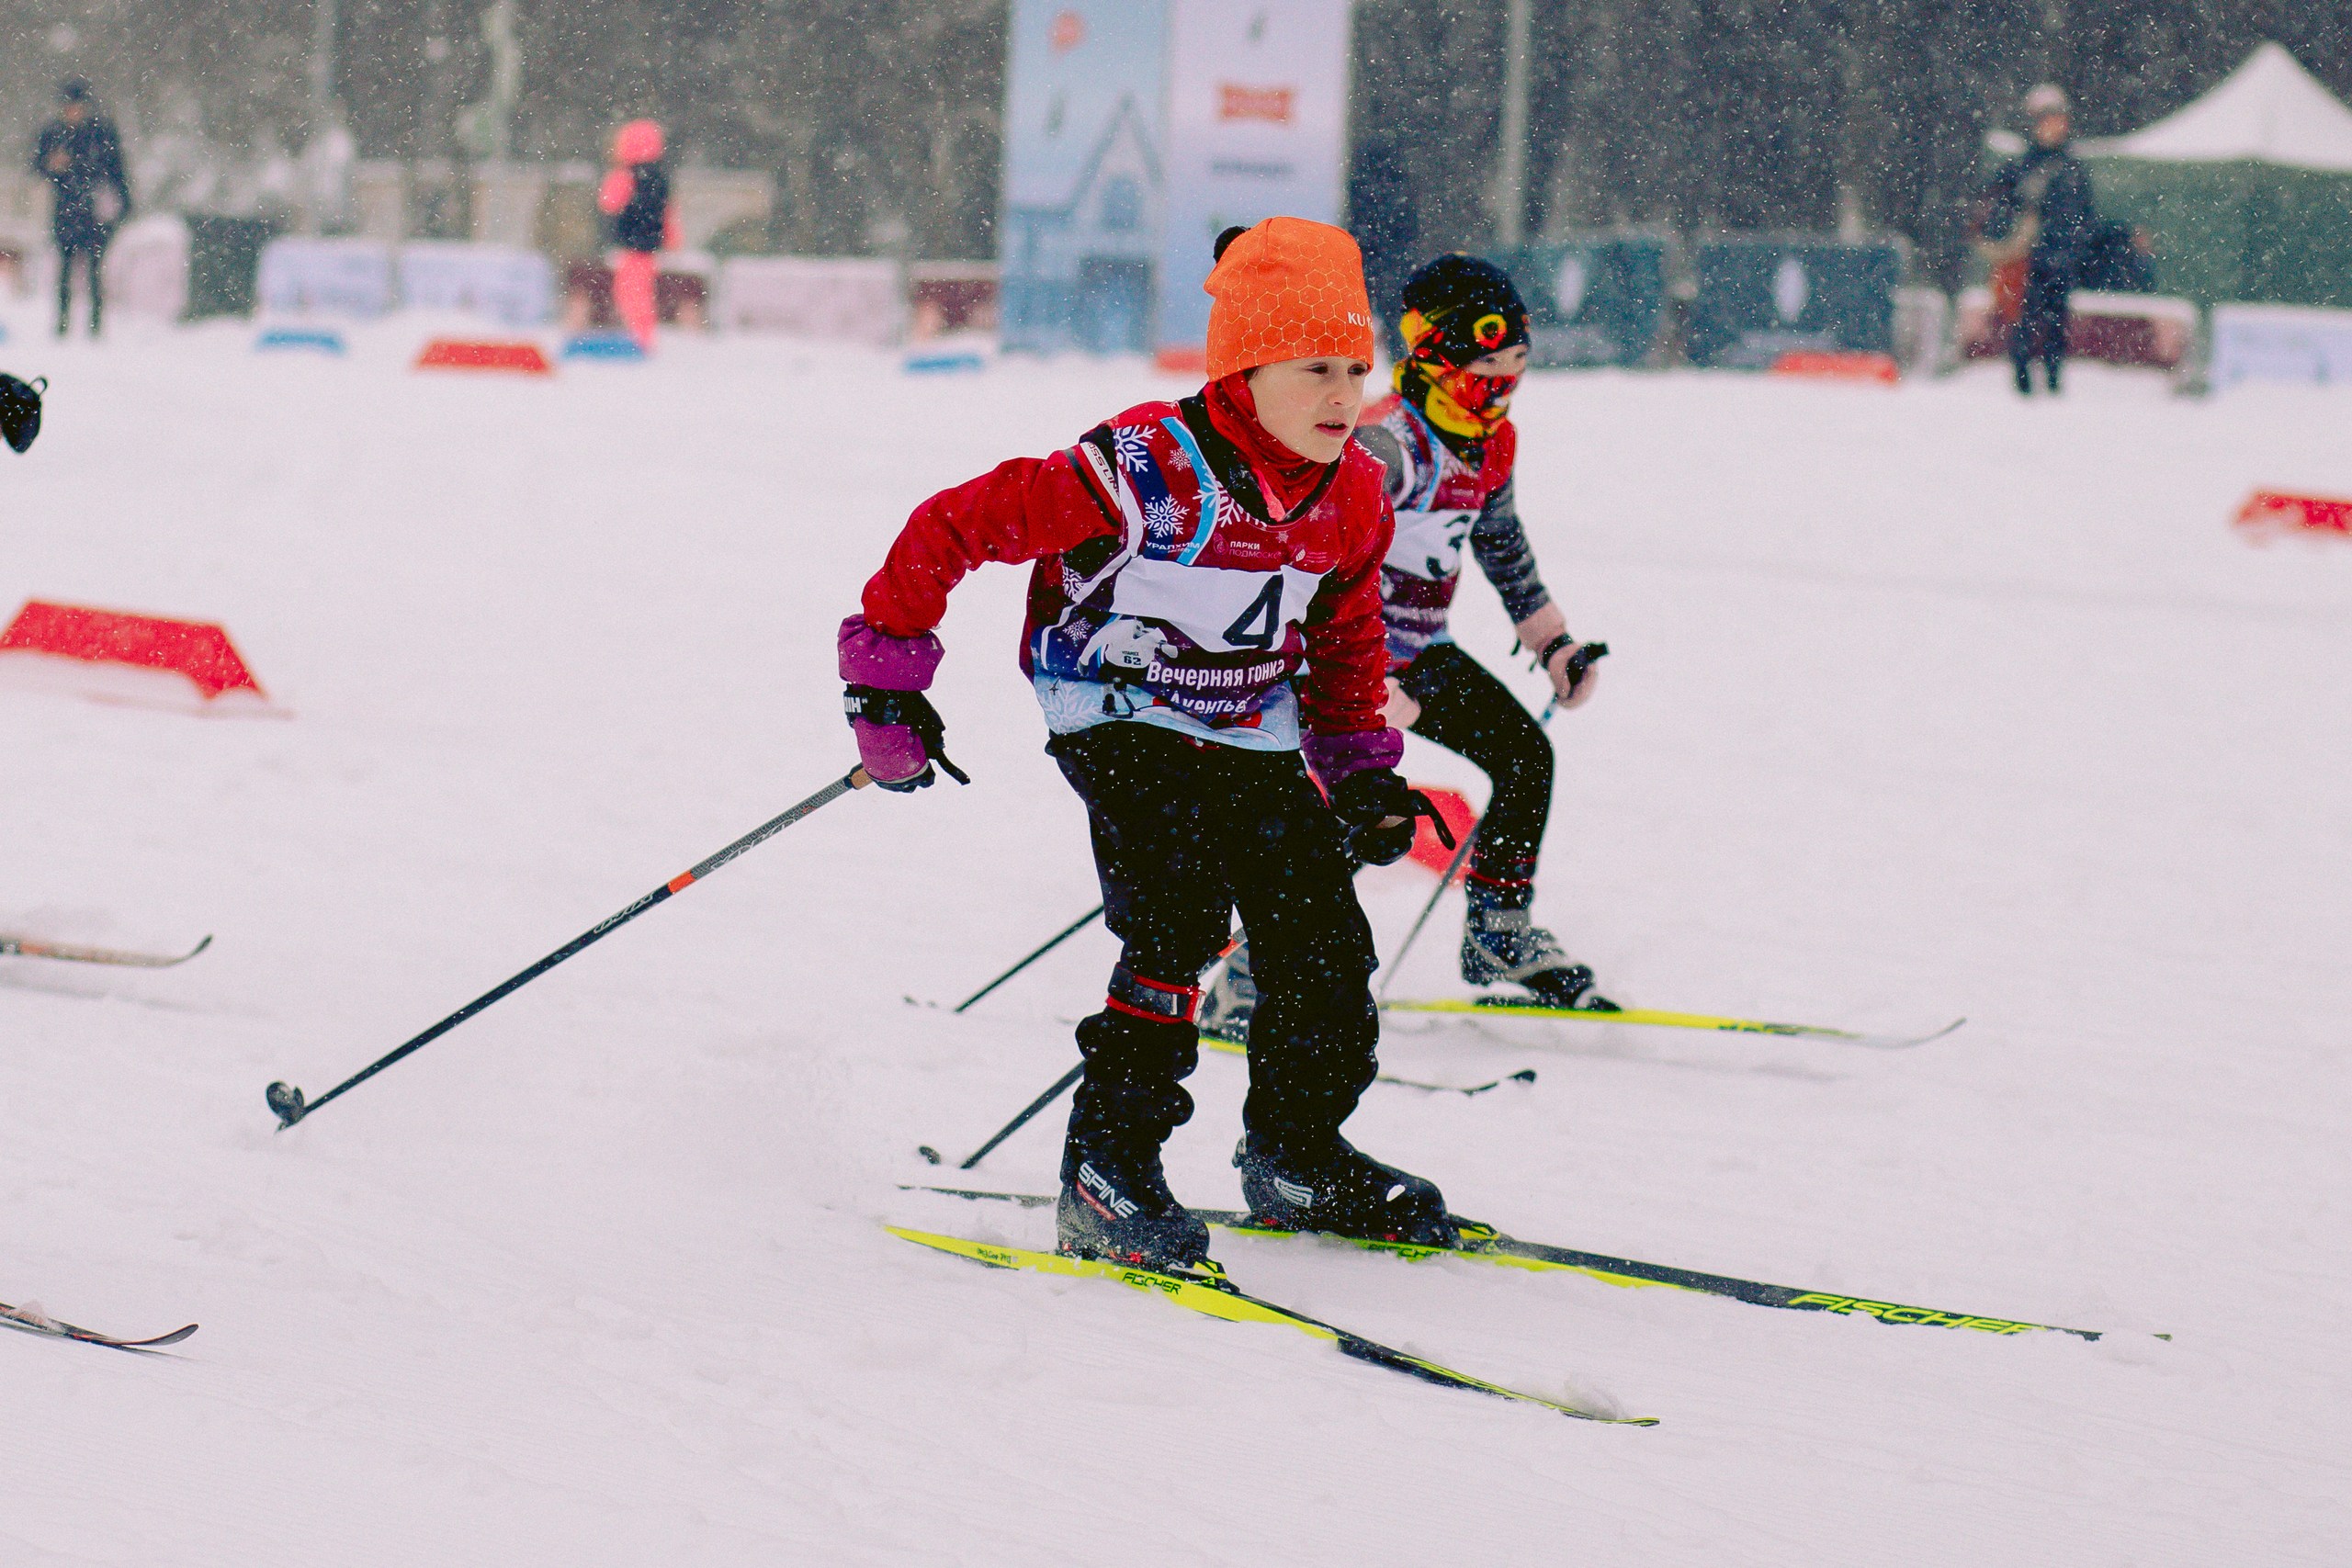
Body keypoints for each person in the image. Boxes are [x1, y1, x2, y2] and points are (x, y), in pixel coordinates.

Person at [841, 217, 1460, 1270]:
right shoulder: (1140, 467)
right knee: (1177, 918)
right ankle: (1108, 1168)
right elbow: (953, 526)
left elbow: (1347, 633)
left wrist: (1361, 771)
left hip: (1246, 719)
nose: (1342, 396)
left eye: (1356, 370)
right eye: (1313, 369)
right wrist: (887, 684)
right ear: (1244, 370)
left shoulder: (1352, 492)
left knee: (1322, 939)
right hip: (1113, 707)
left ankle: (1297, 1156)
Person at [1202, 254, 1611, 1039]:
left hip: (1420, 653)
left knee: (1526, 758)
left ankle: (1500, 931)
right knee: (1364, 821)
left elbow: (1499, 541)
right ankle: (1247, 982)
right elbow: (1306, 556)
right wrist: (1350, 682)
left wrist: (1552, 640)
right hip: (1340, 659)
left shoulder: (1490, 448)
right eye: (1483, 377)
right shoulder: (1388, 449)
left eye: (1514, 376)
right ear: (1431, 363)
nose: (1499, 397)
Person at [1982, 85, 2100, 396]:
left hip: (2061, 260)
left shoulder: (2073, 169)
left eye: (2059, 119)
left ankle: (2052, 381)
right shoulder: (2019, 168)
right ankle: (2023, 383)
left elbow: (2085, 217)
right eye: (2047, 119)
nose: (2054, 126)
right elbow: (1996, 211)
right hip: (2027, 259)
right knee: (2023, 322)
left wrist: (2076, 251)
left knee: (2056, 327)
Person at [30, 79, 130, 340]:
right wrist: (51, 165)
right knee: (65, 268)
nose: (73, 112)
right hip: (64, 210)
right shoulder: (53, 133)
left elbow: (116, 170)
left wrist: (124, 204)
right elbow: (36, 165)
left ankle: (96, 324)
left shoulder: (100, 133)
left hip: (95, 211)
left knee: (96, 269)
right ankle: (62, 322)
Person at [597, 119, 673, 352]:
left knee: (629, 293)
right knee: (643, 293)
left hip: (631, 244)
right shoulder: (660, 178)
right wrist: (670, 238)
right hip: (649, 246)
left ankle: (637, 337)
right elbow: (669, 211)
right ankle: (642, 335)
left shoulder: (625, 175)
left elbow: (608, 203)